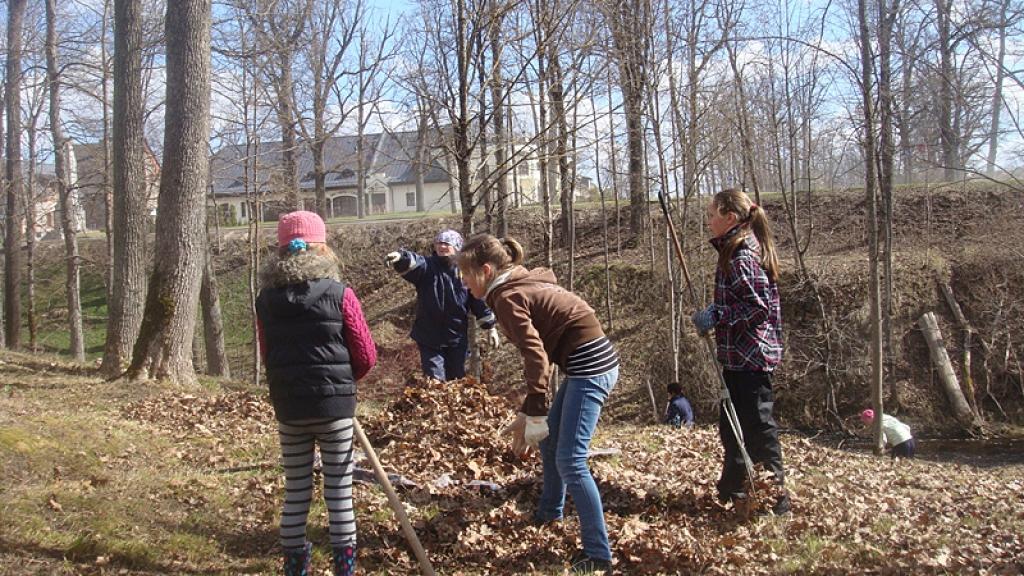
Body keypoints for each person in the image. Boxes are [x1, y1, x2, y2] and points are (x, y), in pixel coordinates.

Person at [457, 234, 619, 575]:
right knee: (549, 440)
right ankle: (549, 512)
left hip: (591, 368)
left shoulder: (506, 296)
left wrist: (535, 407)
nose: (463, 281)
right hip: (585, 365)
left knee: (571, 461)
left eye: (466, 274)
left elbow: (536, 355)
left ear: (486, 270)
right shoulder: (515, 281)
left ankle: (598, 555)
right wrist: (531, 412)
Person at [256, 211, 377, 576]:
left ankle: (296, 569)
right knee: (339, 490)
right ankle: (345, 570)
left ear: (281, 253)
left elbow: (267, 354)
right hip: (335, 408)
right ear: (323, 249)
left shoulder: (265, 300)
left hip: (290, 407)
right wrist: (343, 384)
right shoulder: (341, 295)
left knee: (296, 490)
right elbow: (366, 354)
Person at [691, 189, 790, 516]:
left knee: (759, 431)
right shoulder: (732, 250)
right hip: (737, 357)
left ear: (730, 218)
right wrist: (717, 311)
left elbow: (756, 307)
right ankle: (732, 489)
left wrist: (719, 316)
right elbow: (740, 302)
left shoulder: (742, 255)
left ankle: (777, 502)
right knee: (731, 426)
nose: (708, 220)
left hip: (751, 360)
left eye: (712, 214)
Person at [385, 229, 500, 381]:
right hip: (429, 337)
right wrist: (400, 257)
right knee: (435, 380)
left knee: (457, 380)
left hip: (456, 337)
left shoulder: (465, 271)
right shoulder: (427, 267)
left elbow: (477, 301)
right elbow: (413, 262)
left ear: (457, 246)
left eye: (446, 243)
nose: (442, 246)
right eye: (439, 243)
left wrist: (490, 327)